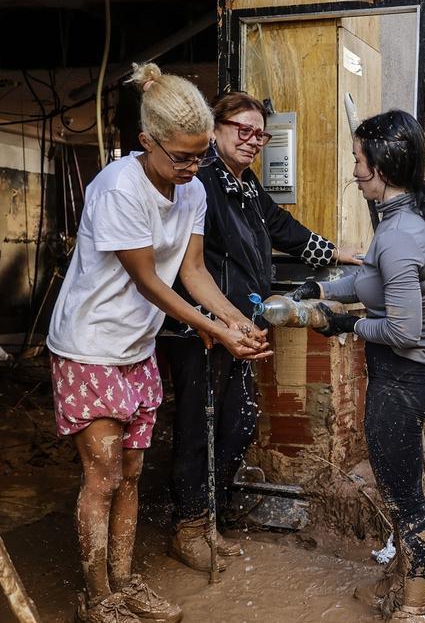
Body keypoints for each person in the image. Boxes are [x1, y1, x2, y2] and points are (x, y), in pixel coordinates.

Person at [45, 63, 271, 623]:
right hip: (90, 345)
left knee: (131, 472)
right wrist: (212, 329)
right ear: (146, 141)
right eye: (183, 157)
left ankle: (125, 582)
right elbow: (148, 279)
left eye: (200, 157)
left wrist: (234, 319)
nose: (194, 169)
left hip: (136, 347)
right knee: (101, 474)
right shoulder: (118, 188)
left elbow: (192, 271)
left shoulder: (190, 188)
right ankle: (97, 598)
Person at [157, 93, 361, 572]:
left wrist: (335, 252)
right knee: (198, 425)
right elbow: (186, 266)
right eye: (242, 130)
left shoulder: (246, 188)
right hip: (202, 327)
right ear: (215, 129)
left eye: (260, 134)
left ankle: (210, 521)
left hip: (243, 327)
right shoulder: (199, 184)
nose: (252, 140)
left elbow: (283, 228)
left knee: (238, 422)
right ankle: (188, 528)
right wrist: (219, 321)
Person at [290, 110, 425, 619]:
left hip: (402, 381)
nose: (354, 170)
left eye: (359, 160)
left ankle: (417, 605)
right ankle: (401, 578)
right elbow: (369, 283)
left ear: (382, 165)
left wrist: (344, 326)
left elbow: (404, 331)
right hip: (404, 378)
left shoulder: (399, 235)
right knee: (402, 482)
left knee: (403, 496)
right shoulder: (400, 221)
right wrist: (320, 288)